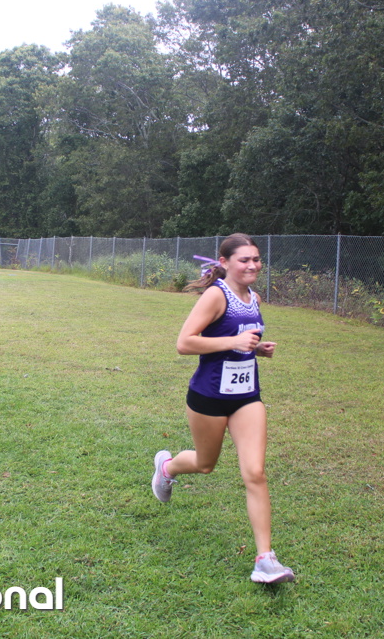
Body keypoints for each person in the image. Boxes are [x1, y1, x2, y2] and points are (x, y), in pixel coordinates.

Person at [151, 233, 294, 584]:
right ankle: (167, 467)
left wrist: (256, 349)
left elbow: (242, 342)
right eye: (244, 259)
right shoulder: (216, 296)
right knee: (205, 464)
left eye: (256, 259)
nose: (252, 265)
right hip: (209, 396)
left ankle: (265, 560)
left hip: (247, 396)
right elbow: (184, 343)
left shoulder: (254, 297)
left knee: (255, 472)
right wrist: (235, 341)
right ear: (225, 262)